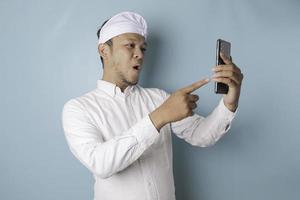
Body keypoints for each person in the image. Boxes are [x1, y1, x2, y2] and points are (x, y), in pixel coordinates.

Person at [62, 11, 243, 200]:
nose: (139, 54)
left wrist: (230, 101)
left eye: (143, 48)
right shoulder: (78, 109)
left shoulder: (159, 98)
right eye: (130, 45)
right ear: (104, 51)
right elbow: (101, 164)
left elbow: (202, 135)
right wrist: (159, 117)